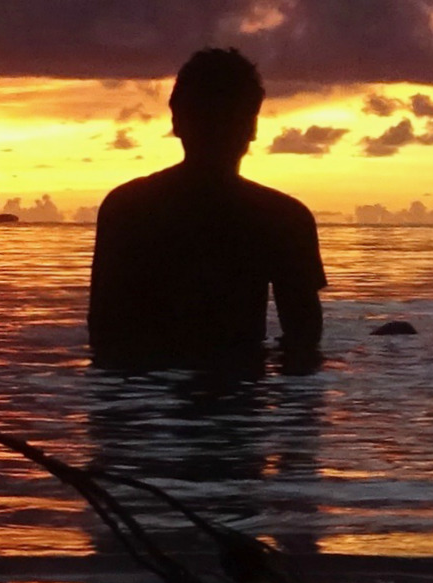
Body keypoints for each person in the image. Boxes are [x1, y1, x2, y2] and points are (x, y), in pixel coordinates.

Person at [87, 48, 324, 371]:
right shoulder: (283, 218)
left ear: (177, 123)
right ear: (252, 128)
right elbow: (303, 343)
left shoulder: (126, 208)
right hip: (240, 399)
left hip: (143, 404)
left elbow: (104, 333)